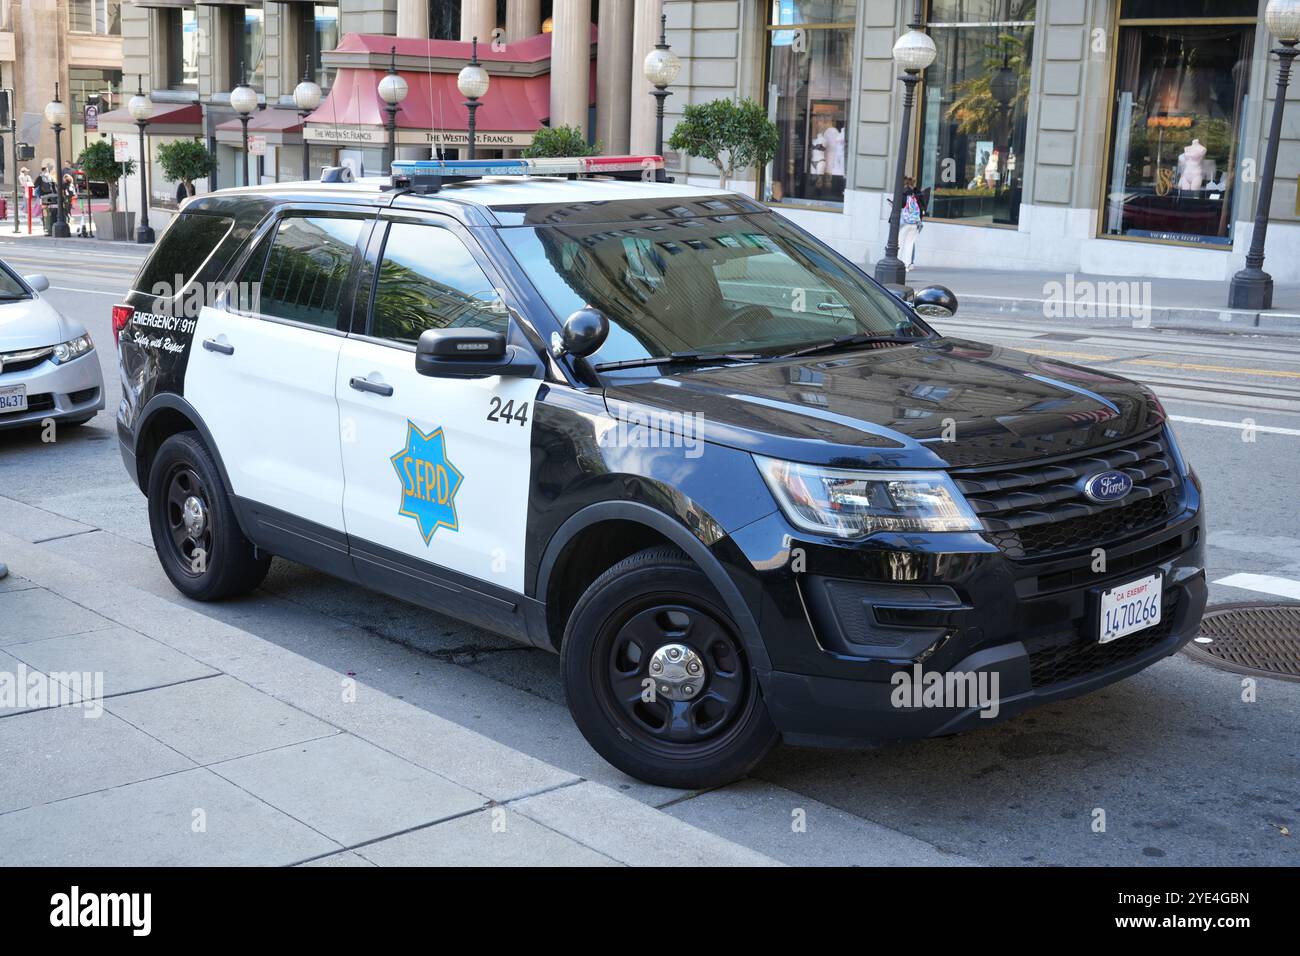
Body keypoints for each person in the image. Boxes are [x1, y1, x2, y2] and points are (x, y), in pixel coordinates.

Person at [898, 176, 923, 272]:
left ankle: (899, 262)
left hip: (905, 222)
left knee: (900, 242)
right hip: (915, 222)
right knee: (910, 244)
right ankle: (907, 265)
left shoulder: (904, 194)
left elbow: (900, 205)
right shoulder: (917, 194)